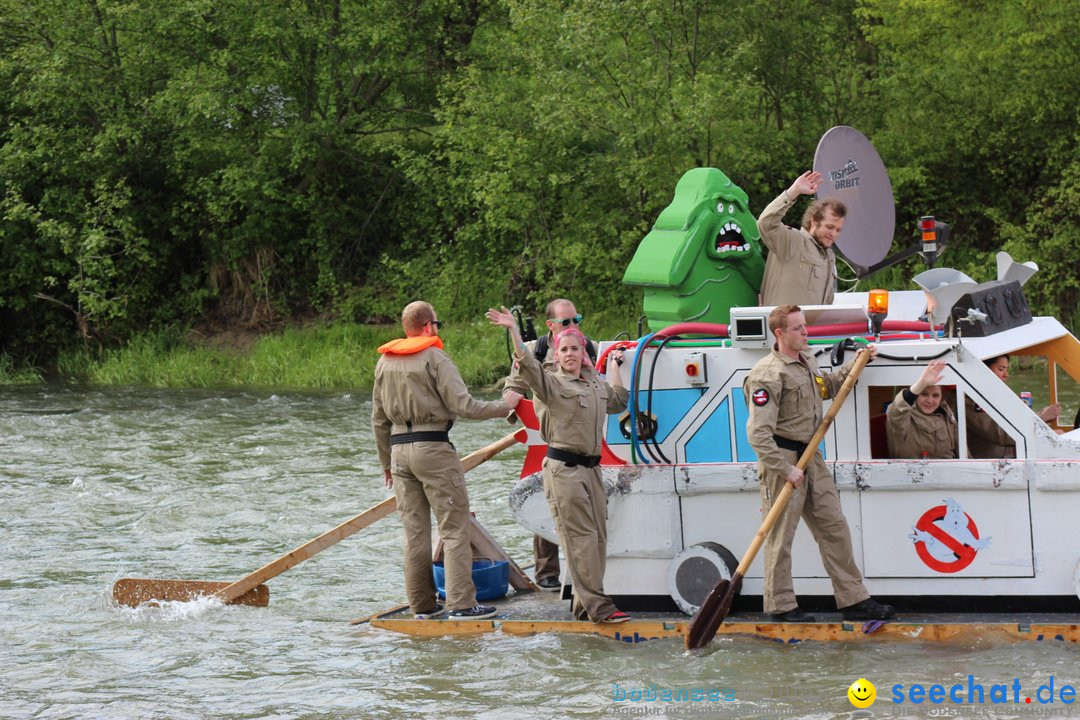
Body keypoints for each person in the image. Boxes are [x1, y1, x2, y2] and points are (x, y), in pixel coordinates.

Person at [372, 301, 523, 621]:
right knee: (454, 528)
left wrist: (386, 463)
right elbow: (465, 406)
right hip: (433, 448)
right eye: (437, 324)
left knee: (414, 533)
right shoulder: (435, 358)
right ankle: (461, 604)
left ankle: (422, 606)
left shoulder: (385, 362)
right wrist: (504, 405)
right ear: (429, 327)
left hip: (399, 452)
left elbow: (378, 419)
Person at [744, 304, 893, 622]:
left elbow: (826, 388)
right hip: (783, 459)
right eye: (797, 328)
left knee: (834, 526)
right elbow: (758, 435)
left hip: (811, 454)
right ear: (780, 333)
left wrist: (858, 363)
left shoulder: (807, 360)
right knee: (781, 535)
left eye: (804, 326)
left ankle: (853, 599)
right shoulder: (768, 374)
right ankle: (781, 605)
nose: (805, 331)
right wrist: (786, 470)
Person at [487, 305, 631, 624]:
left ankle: (583, 605)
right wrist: (513, 330)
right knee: (580, 541)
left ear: (583, 353)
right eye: (563, 349)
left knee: (599, 539)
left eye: (575, 349)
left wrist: (617, 365)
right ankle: (599, 607)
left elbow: (619, 400)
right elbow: (527, 365)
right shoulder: (551, 384)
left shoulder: (593, 384)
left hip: (592, 470)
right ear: (556, 351)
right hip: (564, 470)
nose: (569, 354)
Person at [503, 299, 596, 591]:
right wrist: (513, 410)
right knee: (544, 500)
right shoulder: (534, 351)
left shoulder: (588, 346)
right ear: (551, 325)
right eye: (566, 321)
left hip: (582, 433)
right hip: (545, 438)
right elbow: (514, 386)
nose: (573, 326)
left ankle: (587, 569)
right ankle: (546, 571)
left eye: (576, 319)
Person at [756, 170, 845, 306]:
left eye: (838, 229)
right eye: (829, 227)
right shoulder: (792, 240)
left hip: (811, 328)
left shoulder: (829, 256)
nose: (834, 234)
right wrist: (794, 191)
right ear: (814, 221)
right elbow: (765, 223)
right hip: (779, 327)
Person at [968, 355, 1062, 458]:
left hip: (1007, 458)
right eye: (1001, 369)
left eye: (1007, 369)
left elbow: (1013, 423)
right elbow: (1001, 433)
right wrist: (1041, 421)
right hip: (989, 466)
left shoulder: (992, 394)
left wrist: (1039, 417)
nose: (1006, 375)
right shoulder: (970, 398)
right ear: (985, 369)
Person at [886, 359, 958, 459]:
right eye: (924, 394)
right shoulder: (905, 416)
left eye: (936, 396)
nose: (930, 400)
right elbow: (897, 409)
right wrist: (921, 383)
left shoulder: (945, 411)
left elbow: (961, 449)